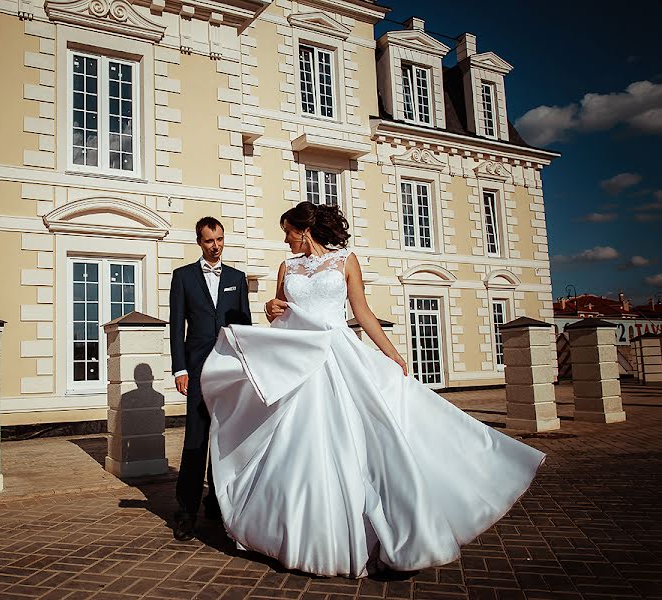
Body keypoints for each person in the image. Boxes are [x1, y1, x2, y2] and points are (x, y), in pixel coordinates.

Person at [200, 202, 545, 578]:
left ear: (303, 230)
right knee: (295, 442)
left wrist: (393, 354)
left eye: (287, 231)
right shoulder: (287, 267)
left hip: (339, 354)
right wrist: (270, 307)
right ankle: (301, 532)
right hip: (300, 358)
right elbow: (279, 310)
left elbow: (362, 312)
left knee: (361, 436)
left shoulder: (346, 261)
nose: (284, 238)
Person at [169, 217, 252, 541]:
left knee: (227, 439)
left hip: (230, 369)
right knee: (196, 440)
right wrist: (180, 369)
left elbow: (243, 326)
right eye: (209, 241)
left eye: (219, 239)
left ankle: (218, 503)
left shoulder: (237, 278)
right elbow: (177, 326)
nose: (215, 246)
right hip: (198, 369)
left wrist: (248, 368)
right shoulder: (183, 277)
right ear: (199, 242)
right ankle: (186, 512)